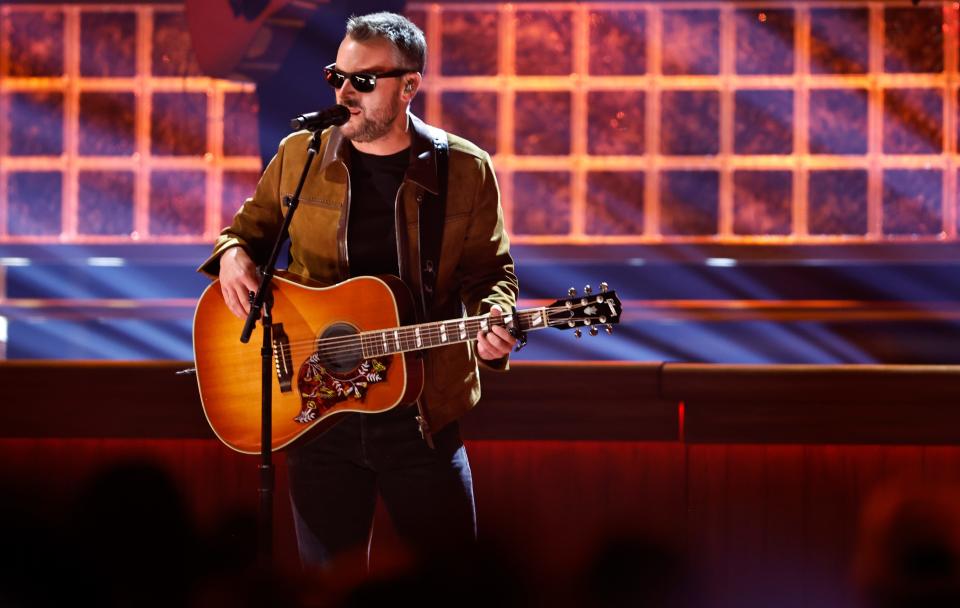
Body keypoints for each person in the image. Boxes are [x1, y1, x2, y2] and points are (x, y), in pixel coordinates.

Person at [199, 12, 519, 569]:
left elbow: (491, 273)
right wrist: (231, 257)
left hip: (421, 416)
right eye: (337, 76)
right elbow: (244, 234)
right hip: (316, 414)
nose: (345, 93)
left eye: (363, 81)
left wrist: (495, 320)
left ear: (408, 86)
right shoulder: (301, 155)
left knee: (453, 586)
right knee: (325, 589)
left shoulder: (464, 170)